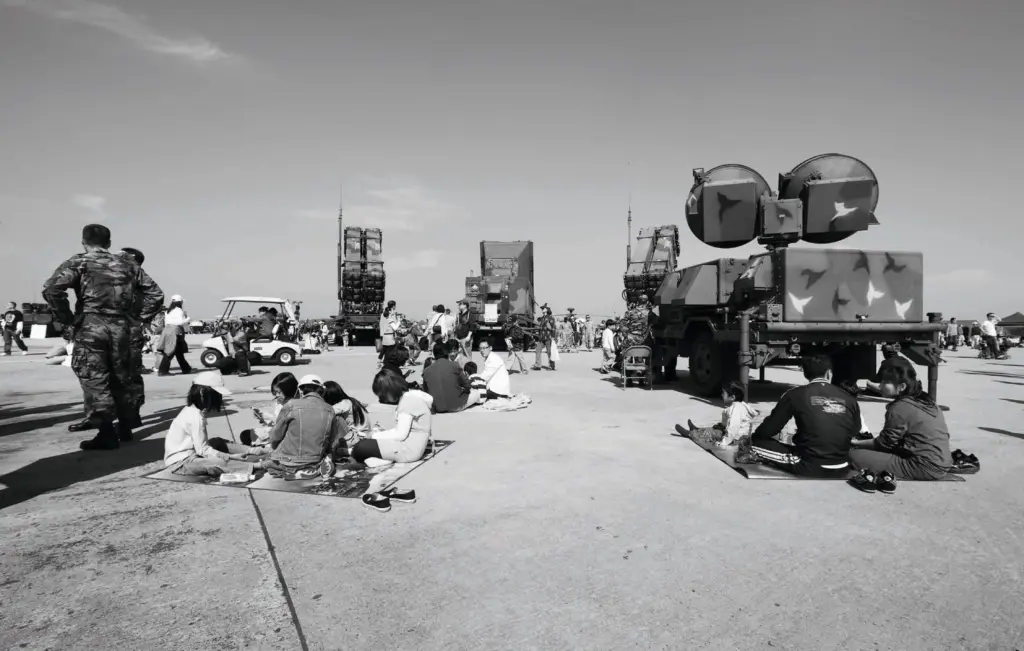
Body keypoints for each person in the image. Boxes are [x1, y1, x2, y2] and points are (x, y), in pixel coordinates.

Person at [42, 224, 164, 449]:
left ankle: (106, 433)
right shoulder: (129, 264)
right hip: (122, 327)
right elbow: (156, 294)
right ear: (109, 243)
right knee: (122, 376)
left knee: (95, 378)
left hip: (91, 326)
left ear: (83, 242)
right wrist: (137, 318)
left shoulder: (78, 262)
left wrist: (67, 317)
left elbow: (51, 290)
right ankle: (126, 427)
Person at [848, 357, 953, 491]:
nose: (880, 386)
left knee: (854, 455)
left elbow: (884, 444)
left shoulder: (899, 407)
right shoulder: (926, 400)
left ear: (902, 386)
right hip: (943, 462)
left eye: (885, 382)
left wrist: (856, 443)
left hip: (923, 467)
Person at [748, 354, 862, 477]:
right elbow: (854, 430)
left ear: (805, 374)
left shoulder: (794, 395)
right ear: (829, 373)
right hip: (843, 464)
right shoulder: (848, 398)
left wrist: (755, 437)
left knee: (754, 443)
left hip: (810, 466)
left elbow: (768, 430)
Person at [163, 371, 262, 477]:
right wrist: (230, 457)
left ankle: (256, 451)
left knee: (217, 442)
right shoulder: (195, 417)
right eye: (217, 395)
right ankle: (257, 465)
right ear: (202, 392)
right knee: (216, 462)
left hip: (193, 453)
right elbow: (203, 451)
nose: (219, 399)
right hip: (181, 463)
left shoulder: (193, 410)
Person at [259, 374, 340, 479]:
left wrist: (274, 449)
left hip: (289, 461)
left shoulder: (291, 405)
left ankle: (291, 471)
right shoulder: (330, 409)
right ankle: (316, 466)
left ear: (300, 391)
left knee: (269, 460)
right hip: (315, 459)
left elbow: (275, 436)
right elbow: (333, 443)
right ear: (321, 391)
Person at [119, 247, 149, 427]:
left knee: (131, 374)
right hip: (117, 330)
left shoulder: (137, 275)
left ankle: (132, 414)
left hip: (130, 331)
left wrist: (139, 319)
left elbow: (156, 296)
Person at [678, 381, 760, 447]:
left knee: (714, 433)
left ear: (732, 397)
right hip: (739, 436)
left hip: (736, 439)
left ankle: (691, 434)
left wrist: (724, 442)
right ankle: (697, 430)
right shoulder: (739, 406)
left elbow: (733, 428)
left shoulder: (736, 409)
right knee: (716, 428)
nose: (721, 395)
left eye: (723, 393)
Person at [241, 372, 299, 446]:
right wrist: (264, 418)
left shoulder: (296, 405)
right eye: (275, 392)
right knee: (245, 435)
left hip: (285, 438)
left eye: (279, 392)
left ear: (288, 390)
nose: (277, 395)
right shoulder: (280, 402)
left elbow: (285, 427)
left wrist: (269, 418)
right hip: (275, 432)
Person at [422, 341, 481, 412]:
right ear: (447, 353)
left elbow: (425, 391)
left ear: (434, 355)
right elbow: (467, 385)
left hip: (437, 407)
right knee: (477, 393)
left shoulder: (426, 370)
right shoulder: (454, 365)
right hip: (456, 405)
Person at [157, 295, 192, 376]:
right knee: (170, 352)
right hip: (175, 332)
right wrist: (188, 319)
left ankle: (186, 368)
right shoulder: (179, 310)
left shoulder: (168, 311)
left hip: (167, 331)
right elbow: (180, 322)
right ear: (180, 302)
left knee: (178, 352)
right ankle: (163, 371)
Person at [532, 304, 557, 371]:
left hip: (548, 337)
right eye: (542, 309)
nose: (542, 309)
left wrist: (553, 336)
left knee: (549, 352)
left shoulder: (551, 318)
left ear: (547, 310)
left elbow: (554, 328)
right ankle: (538, 365)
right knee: (537, 350)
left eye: (544, 308)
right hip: (541, 338)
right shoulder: (542, 318)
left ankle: (551, 366)